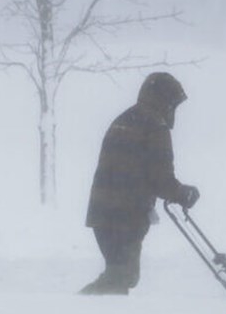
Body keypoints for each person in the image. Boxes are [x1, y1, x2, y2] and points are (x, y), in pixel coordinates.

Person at [80, 72, 200, 295]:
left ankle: (82, 305)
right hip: (125, 215)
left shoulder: (125, 119)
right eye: (174, 104)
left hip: (102, 212)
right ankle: (75, 307)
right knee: (121, 277)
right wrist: (183, 193)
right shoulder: (155, 126)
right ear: (166, 101)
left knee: (118, 274)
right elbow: (160, 176)